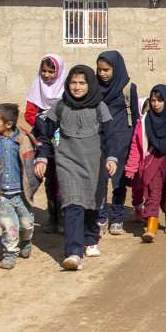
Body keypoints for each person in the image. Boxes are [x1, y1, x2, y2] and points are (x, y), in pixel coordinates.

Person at [33, 65, 116, 271]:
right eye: (73, 82)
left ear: (90, 84)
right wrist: (42, 157)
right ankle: (73, 252)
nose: (77, 87)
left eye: (82, 83)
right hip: (67, 161)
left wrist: (112, 157)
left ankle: (90, 237)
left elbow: (110, 135)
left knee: (92, 202)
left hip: (94, 162)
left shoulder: (99, 107)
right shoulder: (60, 107)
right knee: (72, 203)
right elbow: (44, 134)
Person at [125, 85, 166, 243]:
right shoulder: (145, 120)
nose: (156, 104)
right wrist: (131, 167)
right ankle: (151, 226)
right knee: (152, 192)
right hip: (152, 160)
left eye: (160, 100)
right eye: (153, 100)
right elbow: (136, 145)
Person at [0, 103, 39, 270]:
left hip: (22, 193)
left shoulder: (22, 140)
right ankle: (10, 253)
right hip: (3, 193)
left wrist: (34, 182)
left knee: (26, 224)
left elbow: (31, 163)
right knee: (8, 225)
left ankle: (26, 241)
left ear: (8, 124)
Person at [95, 51, 138, 236]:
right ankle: (102, 216)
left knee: (119, 181)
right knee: (101, 180)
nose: (102, 74)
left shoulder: (128, 87)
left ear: (116, 68)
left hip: (122, 140)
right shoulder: (94, 87)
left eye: (106, 70)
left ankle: (118, 217)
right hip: (99, 139)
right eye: (99, 70)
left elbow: (136, 117)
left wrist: (136, 144)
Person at [22, 54, 65, 234]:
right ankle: (52, 216)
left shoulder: (65, 89)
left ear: (59, 71)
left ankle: (62, 218)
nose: (47, 75)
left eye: (51, 71)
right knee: (48, 179)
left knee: (62, 178)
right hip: (42, 138)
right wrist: (42, 120)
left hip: (61, 139)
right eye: (44, 71)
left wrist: (55, 121)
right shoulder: (36, 87)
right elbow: (29, 113)